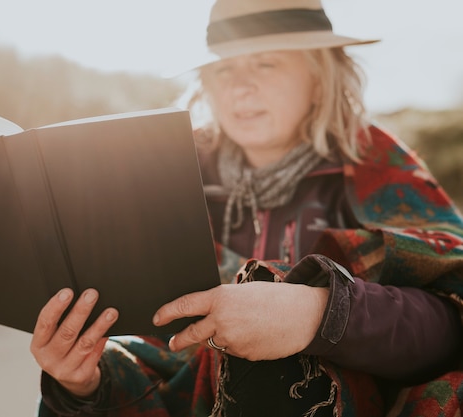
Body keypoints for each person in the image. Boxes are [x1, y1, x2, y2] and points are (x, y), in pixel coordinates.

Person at [30, 0, 463, 415]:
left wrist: (321, 315)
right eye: (224, 68)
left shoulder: (379, 167)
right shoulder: (166, 179)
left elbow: (450, 320)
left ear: (320, 75)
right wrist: (85, 382)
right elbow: (152, 346)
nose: (240, 87)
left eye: (266, 63)